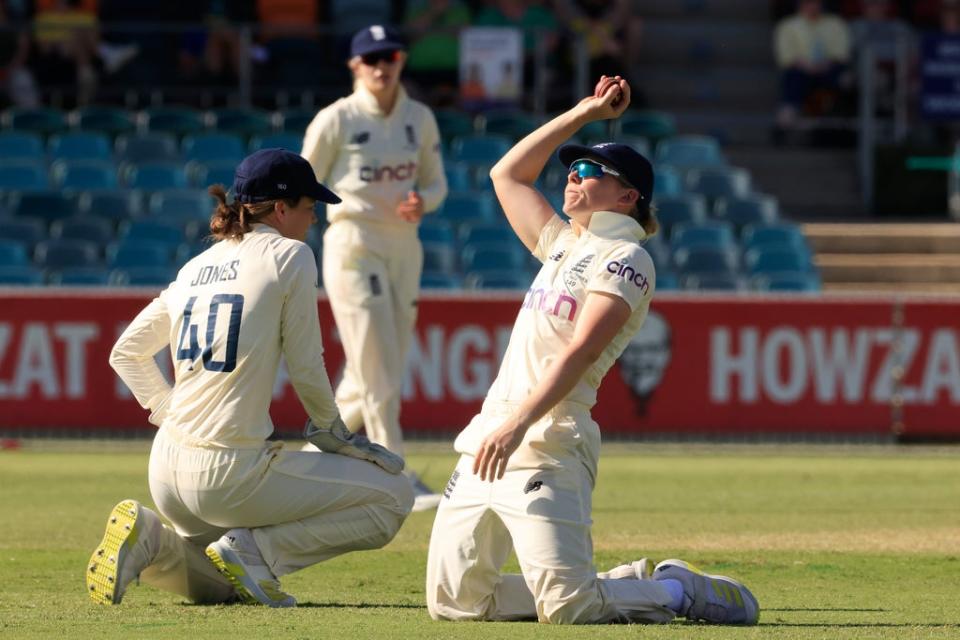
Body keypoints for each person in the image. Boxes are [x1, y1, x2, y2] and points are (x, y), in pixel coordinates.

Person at [425, 75, 760, 625]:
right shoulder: (562, 244)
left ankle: (676, 592)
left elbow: (581, 351)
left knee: (568, 608)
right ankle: (613, 583)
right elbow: (506, 174)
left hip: (548, 439)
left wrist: (518, 425)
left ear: (628, 196)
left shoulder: (628, 257)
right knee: (455, 603)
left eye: (587, 171)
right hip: (490, 434)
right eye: (572, 168)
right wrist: (583, 113)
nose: (572, 176)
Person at [87, 149, 414, 608]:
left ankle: (152, 540)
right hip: (230, 475)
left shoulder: (193, 268)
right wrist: (332, 433)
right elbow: (307, 364)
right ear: (281, 209)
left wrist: (168, 412)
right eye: (309, 208)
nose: (313, 220)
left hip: (165, 473)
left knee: (223, 584)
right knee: (395, 496)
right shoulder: (290, 255)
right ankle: (260, 553)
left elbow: (127, 353)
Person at [301, 24, 448, 511]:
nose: (381, 67)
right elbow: (303, 181)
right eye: (371, 59)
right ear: (354, 66)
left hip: (404, 245)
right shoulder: (336, 120)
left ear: (402, 60)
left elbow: (437, 185)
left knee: (369, 377)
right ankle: (396, 474)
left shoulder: (420, 119)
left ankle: (303, 466)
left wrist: (421, 202)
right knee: (379, 364)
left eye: (389, 57)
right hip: (353, 241)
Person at [773, 0, 852, 140]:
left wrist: (823, 65)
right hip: (801, 71)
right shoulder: (788, 25)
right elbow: (786, 57)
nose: (812, 5)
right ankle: (785, 122)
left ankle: (847, 125)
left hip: (830, 70)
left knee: (846, 79)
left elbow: (841, 54)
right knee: (793, 78)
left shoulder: (835, 23)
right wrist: (808, 66)